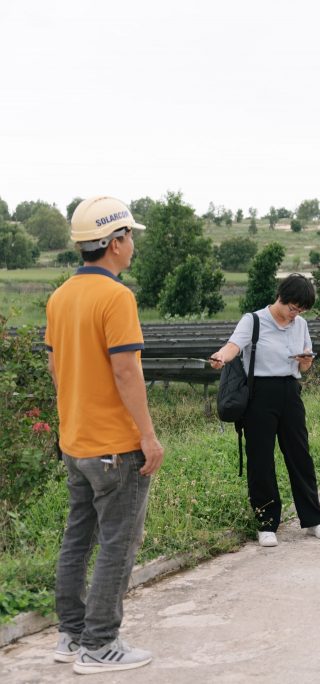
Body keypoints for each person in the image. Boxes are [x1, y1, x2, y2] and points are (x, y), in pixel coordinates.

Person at [46, 196, 165, 673]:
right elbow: (126, 373)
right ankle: (100, 645)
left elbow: (56, 367)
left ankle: (71, 635)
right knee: (119, 542)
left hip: (76, 442)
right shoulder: (117, 297)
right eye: (130, 235)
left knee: (78, 538)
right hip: (116, 447)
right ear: (114, 243)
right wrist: (149, 436)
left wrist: (75, 416)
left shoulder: (60, 296)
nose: (132, 244)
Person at [209, 274, 320, 548]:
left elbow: (304, 366)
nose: (295, 315)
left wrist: (305, 362)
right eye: (293, 308)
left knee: (300, 455)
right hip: (259, 396)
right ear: (281, 298)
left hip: (290, 392)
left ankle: (314, 519)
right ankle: (266, 523)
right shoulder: (253, 321)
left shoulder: (299, 325)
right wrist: (220, 356)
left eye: (300, 311)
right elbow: (233, 346)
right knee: (261, 459)